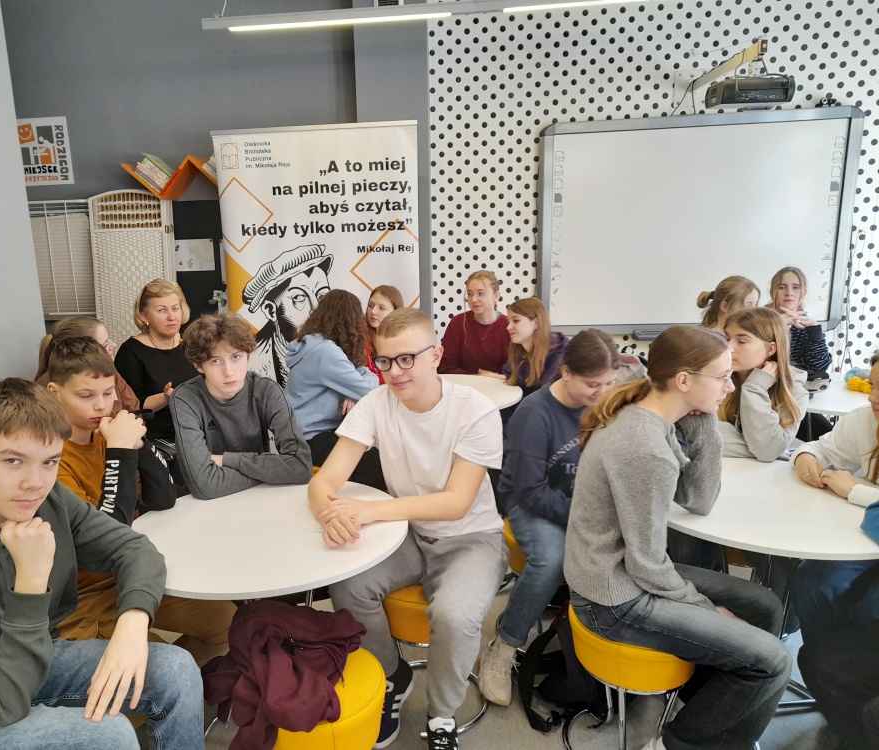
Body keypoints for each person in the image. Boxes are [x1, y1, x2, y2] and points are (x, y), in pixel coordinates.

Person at [0, 378, 203, 749]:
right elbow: (1, 701)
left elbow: (134, 548)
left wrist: (132, 624)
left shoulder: (44, 498)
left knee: (176, 670)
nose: (34, 482)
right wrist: (31, 580)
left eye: (49, 461)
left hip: (22, 661)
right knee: (106, 736)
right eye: (12, 461)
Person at [564, 325, 791, 750]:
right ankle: (680, 743)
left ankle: (713, 708)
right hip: (613, 599)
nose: (730, 387)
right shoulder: (644, 447)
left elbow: (698, 500)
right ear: (684, 380)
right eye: (721, 377)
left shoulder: (656, 418)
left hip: (623, 576)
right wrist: (706, 608)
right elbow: (648, 565)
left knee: (765, 605)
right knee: (774, 661)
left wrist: (704, 424)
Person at [309, 308, 507, 750]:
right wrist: (331, 515)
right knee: (349, 585)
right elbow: (323, 482)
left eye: (406, 359)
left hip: (471, 538)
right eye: (384, 360)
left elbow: (456, 503)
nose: (394, 372)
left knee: (454, 615)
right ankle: (391, 675)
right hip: (409, 534)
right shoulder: (376, 404)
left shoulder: (475, 410)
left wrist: (370, 512)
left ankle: (441, 715)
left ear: (436, 355)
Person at [45, 337, 237, 667]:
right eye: (86, 396)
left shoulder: (105, 435)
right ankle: (162, 686)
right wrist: (120, 452)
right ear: (54, 393)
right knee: (164, 666)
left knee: (228, 624)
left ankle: (180, 684)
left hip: (131, 573)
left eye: (108, 393)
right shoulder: (48, 459)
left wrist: (139, 443)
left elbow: (162, 499)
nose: (101, 406)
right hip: (82, 596)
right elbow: (103, 543)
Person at [478, 329, 619, 706]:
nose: (603, 393)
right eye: (593, 384)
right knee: (551, 559)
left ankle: (595, 646)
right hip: (530, 502)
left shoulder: (606, 401)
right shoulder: (534, 413)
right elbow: (529, 492)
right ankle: (504, 644)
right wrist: (587, 518)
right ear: (566, 372)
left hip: (582, 501)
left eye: (610, 383)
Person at [789, 353, 879, 749]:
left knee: (869, 606)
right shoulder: (865, 419)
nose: (873, 397)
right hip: (867, 539)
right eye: (872, 385)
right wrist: (806, 457)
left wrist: (855, 491)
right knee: (813, 580)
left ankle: (855, 695)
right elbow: (818, 448)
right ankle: (836, 696)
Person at [170, 313, 313, 500]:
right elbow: (204, 485)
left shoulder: (266, 391)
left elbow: (301, 467)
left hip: (257, 499)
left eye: (236, 357)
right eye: (215, 361)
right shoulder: (186, 398)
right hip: (203, 507)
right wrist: (269, 474)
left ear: (248, 355)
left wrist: (227, 460)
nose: (228, 372)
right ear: (199, 366)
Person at [286, 289, 385, 490]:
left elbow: (364, 375)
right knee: (383, 464)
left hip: (305, 437)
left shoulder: (313, 344)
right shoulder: (325, 352)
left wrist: (351, 390)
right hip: (312, 440)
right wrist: (353, 389)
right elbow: (368, 390)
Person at [718, 307, 808, 461]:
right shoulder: (713, 379)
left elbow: (767, 451)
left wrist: (755, 388)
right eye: (726, 339)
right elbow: (697, 434)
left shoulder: (794, 393)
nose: (729, 348)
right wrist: (758, 448)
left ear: (770, 349)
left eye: (742, 341)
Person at [114, 279, 196, 444]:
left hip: (195, 432)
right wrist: (165, 398)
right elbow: (130, 407)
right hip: (154, 439)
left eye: (175, 309)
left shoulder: (191, 344)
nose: (171, 317)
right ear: (144, 315)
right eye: (162, 310)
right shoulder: (130, 351)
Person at [242, 244, 333, 387]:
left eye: (322, 296)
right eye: (299, 298)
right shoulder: (250, 367)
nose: (316, 308)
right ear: (271, 310)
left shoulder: (338, 346)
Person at [36, 315, 139, 416]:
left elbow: (135, 410)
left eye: (108, 392)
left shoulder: (108, 372)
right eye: (86, 395)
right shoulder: (44, 386)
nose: (114, 345)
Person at [499, 297, 569, 433]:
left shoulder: (559, 356)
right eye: (509, 321)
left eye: (516, 320)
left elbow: (548, 403)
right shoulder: (517, 351)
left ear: (536, 323)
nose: (508, 327)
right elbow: (512, 383)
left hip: (547, 425)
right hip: (525, 419)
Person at [438, 270, 511, 376]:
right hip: (463, 384)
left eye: (481, 293)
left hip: (501, 384)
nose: (473, 299)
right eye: (469, 294)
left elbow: (517, 370)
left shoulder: (509, 326)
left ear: (496, 296)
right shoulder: (458, 323)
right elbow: (445, 365)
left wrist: (493, 378)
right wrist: (476, 377)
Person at [766, 266, 833, 374]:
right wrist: (775, 324)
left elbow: (819, 367)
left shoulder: (806, 326)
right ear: (772, 293)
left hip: (797, 383)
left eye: (796, 287)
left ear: (804, 293)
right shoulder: (757, 320)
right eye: (781, 287)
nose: (789, 293)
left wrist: (814, 330)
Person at [364, 285, 404, 384]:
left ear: (396, 312)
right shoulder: (360, 338)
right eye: (370, 305)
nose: (373, 311)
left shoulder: (404, 339)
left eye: (381, 308)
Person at [696, 275, 760, 333]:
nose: (755, 310)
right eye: (749, 305)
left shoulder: (747, 333)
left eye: (756, 304)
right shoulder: (710, 338)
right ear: (725, 307)